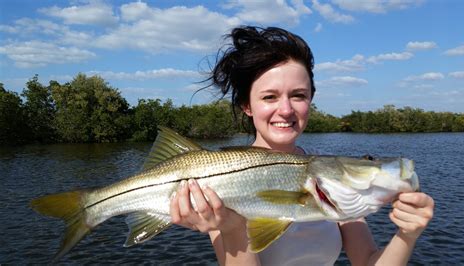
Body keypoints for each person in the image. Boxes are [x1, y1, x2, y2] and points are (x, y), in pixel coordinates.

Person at [169, 26, 434, 265]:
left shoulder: (333, 182)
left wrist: (407, 235)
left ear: (310, 100)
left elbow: (367, 261)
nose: (285, 109)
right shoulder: (212, 178)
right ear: (247, 106)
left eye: (298, 95)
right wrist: (232, 229)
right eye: (269, 97)